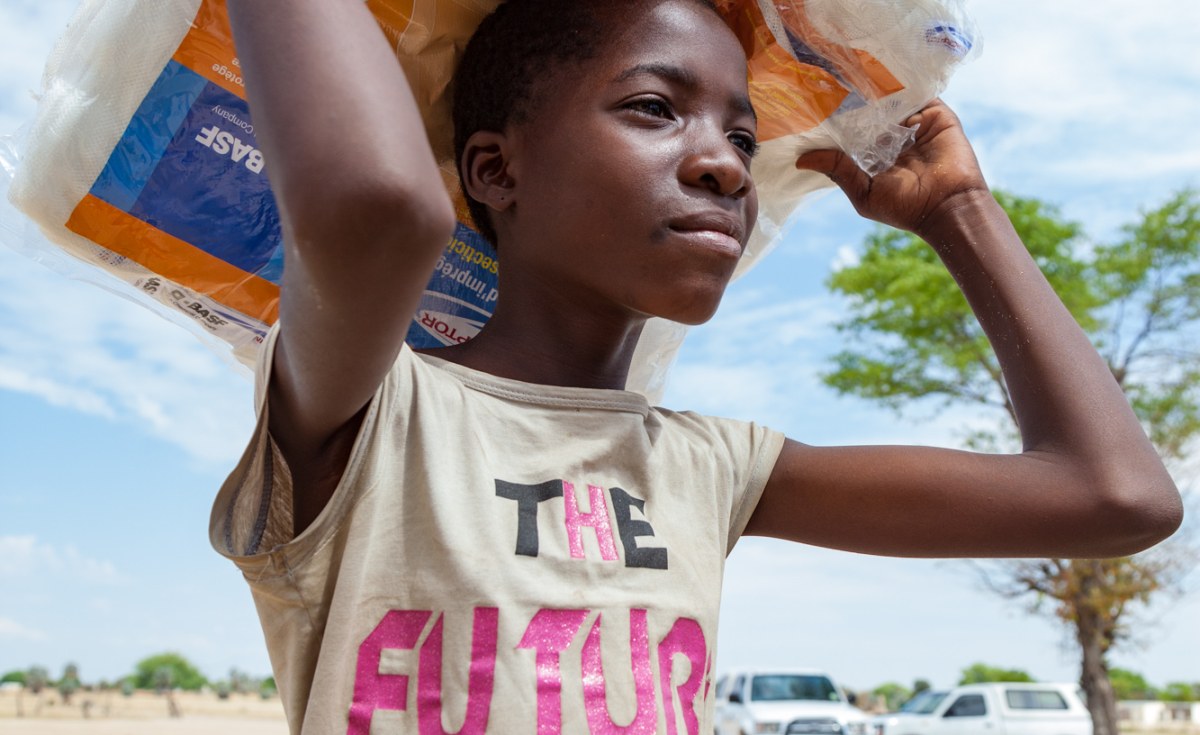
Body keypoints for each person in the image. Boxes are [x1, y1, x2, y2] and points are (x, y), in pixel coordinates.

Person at [210, 0, 1183, 733]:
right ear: (497, 171)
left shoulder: (715, 468)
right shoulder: (373, 416)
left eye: (744, 136)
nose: (723, 163)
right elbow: (378, 210)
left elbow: (1116, 497)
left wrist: (958, 212)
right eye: (653, 108)